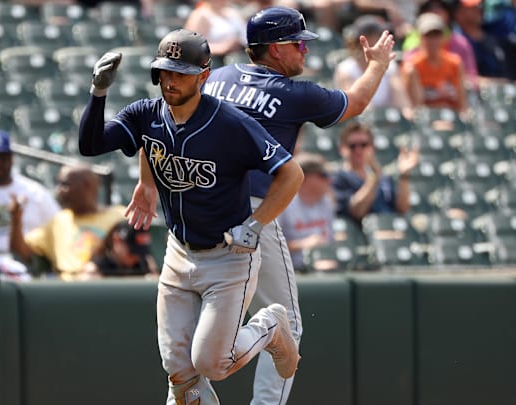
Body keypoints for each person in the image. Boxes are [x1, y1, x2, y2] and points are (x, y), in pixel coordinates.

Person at [130, 6, 395, 404]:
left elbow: (159, 124)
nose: (305, 51)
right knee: (284, 318)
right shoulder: (295, 93)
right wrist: (377, 66)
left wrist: (146, 183)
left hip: (194, 209)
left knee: (182, 356)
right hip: (249, 210)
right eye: (298, 43)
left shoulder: (215, 76)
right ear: (274, 49)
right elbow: (355, 103)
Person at [79, 29, 304, 404]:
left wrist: (256, 222)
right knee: (180, 372)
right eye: (165, 72)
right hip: (178, 254)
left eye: (181, 72)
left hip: (227, 258)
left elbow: (291, 173)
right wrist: (98, 93)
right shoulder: (146, 115)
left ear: (204, 76)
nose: (170, 80)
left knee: (212, 363)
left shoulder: (229, 123)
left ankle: (270, 325)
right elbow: (92, 144)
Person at [9, 163, 125, 280]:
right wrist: (16, 219)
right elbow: (22, 251)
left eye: (65, 184)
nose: (59, 190)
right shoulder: (59, 221)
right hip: (66, 290)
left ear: (87, 186)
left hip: (109, 286)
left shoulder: (121, 216)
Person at [332, 121, 419, 222]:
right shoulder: (338, 178)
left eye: (363, 145)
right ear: (342, 149)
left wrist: (404, 175)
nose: (358, 150)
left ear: (372, 148)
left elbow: (402, 209)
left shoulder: (383, 177)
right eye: (352, 146)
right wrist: (374, 178)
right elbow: (357, 212)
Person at [335, 14, 413, 114]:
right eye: (377, 35)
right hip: (358, 125)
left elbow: (402, 101)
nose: (382, 39)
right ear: (362, 39)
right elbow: (356, 105)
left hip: (388, 124)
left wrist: (407, 116)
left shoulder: (390, 66)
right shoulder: (346, 69)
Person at [453, 0, 516, 83]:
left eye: (480, 6)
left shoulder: (495, 35)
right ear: (458, 14)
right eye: (472, 7)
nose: (479, 9)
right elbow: (464, 79)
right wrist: (506, 84)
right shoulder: (456, 43)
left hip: (503, 96)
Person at [402, 0, 479, 89]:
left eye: (440, 7)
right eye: (430, 8)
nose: (436, 11)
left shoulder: (456, 58)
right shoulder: (412, 54)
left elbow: (471, 79)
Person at [278, 153, 335, 271]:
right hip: (292, 269)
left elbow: (331, 241)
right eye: (323, 175)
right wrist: (303, 244)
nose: (329, 180)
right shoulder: (284, 204)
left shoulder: (327, 203)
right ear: (305, 177)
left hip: (325, 266)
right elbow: (271, 247)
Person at [402, 12, 468, 113]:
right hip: (427, 119)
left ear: (443, 37)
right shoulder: (413, 66)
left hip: (453, 117)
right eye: (428, 35)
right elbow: (417, 106)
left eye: (436, 35)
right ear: (420, 37)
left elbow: (462, 103)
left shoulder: (454, 63)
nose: (433, 40)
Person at [81, 220, 159, 279]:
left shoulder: (144, 264)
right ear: (116, 240)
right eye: (132, 252)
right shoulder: (97, 267)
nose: (136, 257)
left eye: (141, 252)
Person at [184, 0, 248, 66]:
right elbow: (193, 46)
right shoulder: (199, 15)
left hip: (241, 56)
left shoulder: (233, 13)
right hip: (215, 62)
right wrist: (223, 47)